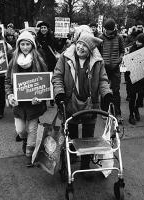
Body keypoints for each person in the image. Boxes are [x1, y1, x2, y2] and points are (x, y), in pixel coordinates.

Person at [52, 33, 113, 175]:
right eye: (79, 43)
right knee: (71, 135)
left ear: (91, 49)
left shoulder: (98, 61)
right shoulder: (65, 57)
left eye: (85, 46)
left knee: (88, 138)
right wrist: (59, 93)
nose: (81, 47)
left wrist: (107, 94)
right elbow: (57, 77)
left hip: (91, 103)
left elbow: (103, 80)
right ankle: (70, 158)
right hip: (69, 102)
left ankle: (85, 166)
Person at [5, 31, 48, 166]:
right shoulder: (13, 61)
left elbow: (44, 81)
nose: (25, 47)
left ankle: (30, 155)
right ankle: (25, 140)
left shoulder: (39, 61)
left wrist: (40, 97)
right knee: (21, 131)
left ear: (32, 45)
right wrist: (10, 95)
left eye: (28, 44)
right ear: (19, 45)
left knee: (32, 129)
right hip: (18, 104)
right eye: (22, 44)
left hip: (33, 104)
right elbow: (7, 81)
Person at [99, 18, 125, 124]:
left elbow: (122, 51)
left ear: (113, 29)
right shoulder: (100, 38)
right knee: (104, 90)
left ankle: (117, 113)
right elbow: (97, 53)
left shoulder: (119, 37)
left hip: (115, 68)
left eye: (109, 29)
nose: (107, 31)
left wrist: (118, 61)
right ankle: (104, 111)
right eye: (106, 29)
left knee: (116, 91)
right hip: (104, 68)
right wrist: (101, 63)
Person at [127, 32, 144, 125]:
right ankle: (131, 115)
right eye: (137, 41)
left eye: (139, 41)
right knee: (132, 96)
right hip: (133, 76)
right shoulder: (133, 49)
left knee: (140, 96)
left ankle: (136, 109)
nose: (137, 43)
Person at [36, 21, 57, 106]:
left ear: (48, 29)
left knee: (51, 80)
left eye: (45, 28)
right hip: (41, 61)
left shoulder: (52, 37)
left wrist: (63, 39)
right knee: (42, 80)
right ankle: (43, 99)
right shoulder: (37, 38)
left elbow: (58, 47)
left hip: (51, 61)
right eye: (42, 28)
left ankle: (52, 98)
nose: (43, 29)